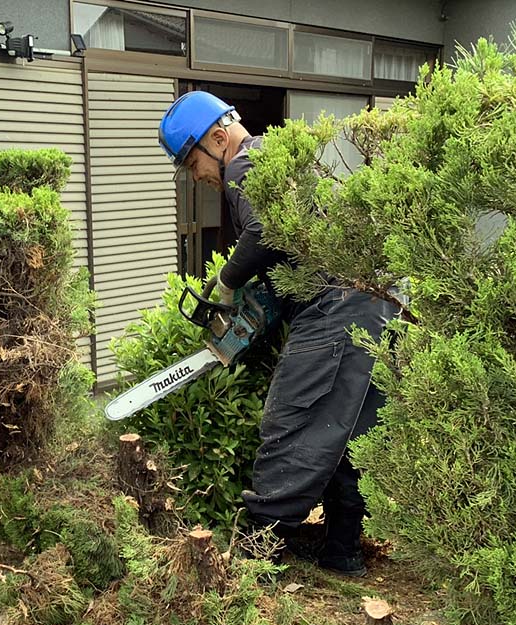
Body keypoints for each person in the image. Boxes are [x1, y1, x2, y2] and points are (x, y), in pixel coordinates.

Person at [158, 91, 396, 577]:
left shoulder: (246, 167)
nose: (196, 176)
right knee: (348, 428)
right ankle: (343, 552)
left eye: (192, 162)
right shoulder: (276, 158)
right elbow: (290, 249)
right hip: (373, 302)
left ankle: (257, 554)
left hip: (335, 306)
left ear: (218, 139)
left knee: (290, 419)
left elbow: (265, 230)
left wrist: (226, 283)